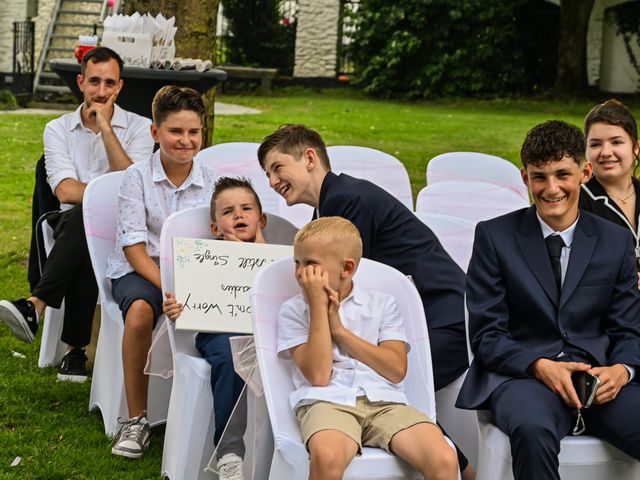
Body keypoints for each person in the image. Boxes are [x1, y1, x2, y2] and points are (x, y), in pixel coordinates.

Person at [258, 124, 472, 477]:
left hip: (442, 317)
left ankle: (462, 471)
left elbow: (341, 287)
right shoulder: (328, 208)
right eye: (267, 174)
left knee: (395, 393)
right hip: (417, 316)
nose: (272, 181)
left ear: (309, 158)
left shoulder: (345, 199)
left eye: (277, 167)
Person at [456, 120, 640, 480]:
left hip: (599, 380)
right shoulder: (494, 237)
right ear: (525, 178)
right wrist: (540, 365)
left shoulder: (616, 241)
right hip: (525, 378)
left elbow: (629, 330)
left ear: (585, 172)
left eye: (562, 174)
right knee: (531, 430)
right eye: (539, 177)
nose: (551, 188)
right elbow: (487, 335)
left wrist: (621, 371)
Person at [0, 47, 154, 382]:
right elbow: (65, 192)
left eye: (109, 83)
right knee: (84, 220)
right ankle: (72, 348)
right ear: (81, 82)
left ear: (120, 87)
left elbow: (134, 188)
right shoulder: (57, 129)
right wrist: (108, 195)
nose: (101, 91)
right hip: (70, 221)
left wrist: (108, 130)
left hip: (124, 227)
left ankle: (39, 310)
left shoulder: (141, 128)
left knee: (88, 222)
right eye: (94, 82)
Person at [277, 216, 458, 480]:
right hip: (328, 401)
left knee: (443, 458)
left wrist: (339, 331)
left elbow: (396, 370)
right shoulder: (293, 311)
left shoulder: (383, 305)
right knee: (327, 458)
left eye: (311, 265)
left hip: (386, 402)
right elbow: (318, 375)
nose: (301, 273)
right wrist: (317, 309)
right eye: (297, 263)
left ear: (347, 268)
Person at [107, 85, 218, 458]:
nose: (186, 141)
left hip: (195, 272)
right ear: (155, 133)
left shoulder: (214, 182)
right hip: (142, 270)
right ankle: (136, 419)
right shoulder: (136, 177)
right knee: (140, 312)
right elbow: (134, 249)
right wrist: (169, 288)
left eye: (194, 132)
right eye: (176, 131)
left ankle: (215, 417)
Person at [163, 176, 268, 479]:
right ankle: (229, 454)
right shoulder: (204, 259)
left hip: (266, 336)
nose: (238, 215)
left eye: (246, 209)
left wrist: (258, 251)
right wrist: (174, 309)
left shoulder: (279, 257)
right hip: (218, 334)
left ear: (260, 219)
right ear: (214, 228)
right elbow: (185, 304)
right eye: (228, 212)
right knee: (231, 355)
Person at [580, 99, 640, 265]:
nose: (606, 152)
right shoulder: (577, 202)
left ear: (635, 148)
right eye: (595, 144)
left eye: (616, 142)